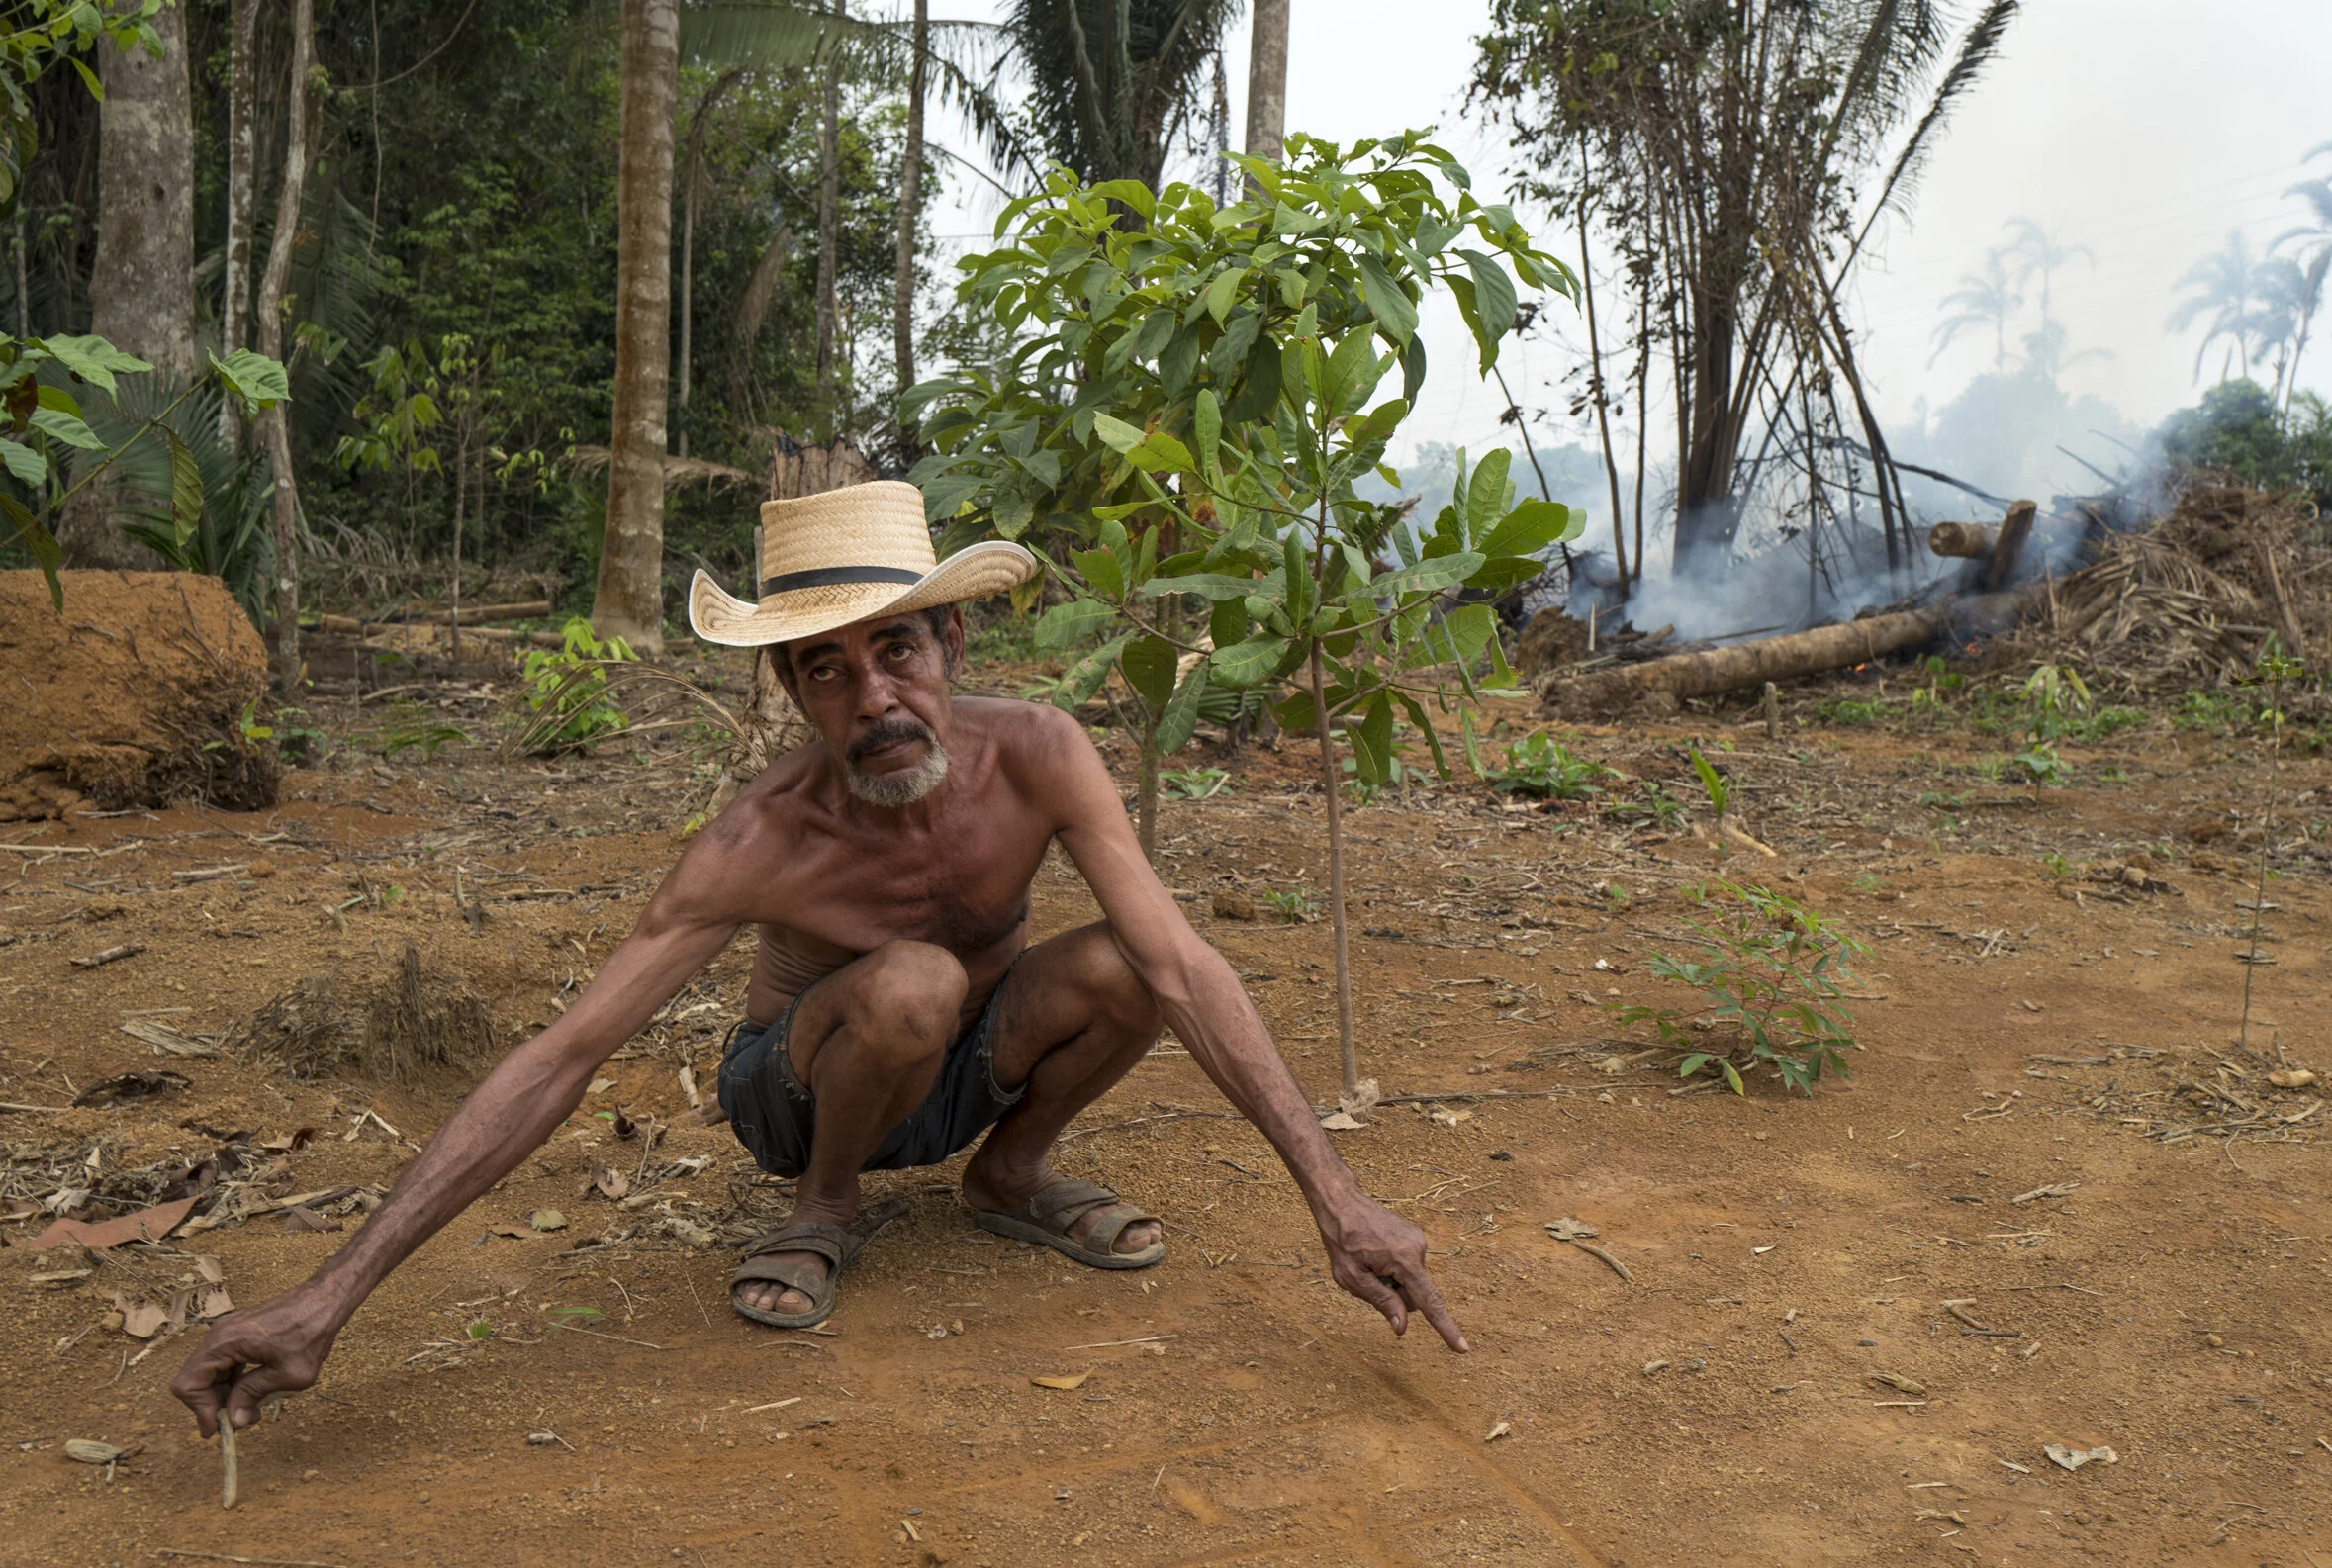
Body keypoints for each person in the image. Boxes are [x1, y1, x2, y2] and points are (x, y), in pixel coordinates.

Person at [173, 481, 1464, 1438]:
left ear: (955, 647)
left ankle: (1009, 1174)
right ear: (793, 695)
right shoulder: (761, 838)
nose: (875, 698)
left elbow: (1184, 967)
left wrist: (1335, 1198)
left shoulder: (1043, 756)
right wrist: (328, 1296)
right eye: (826, 671)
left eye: (896, 648)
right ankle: (826, 1210)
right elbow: (564, 1057)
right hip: (801, 1091)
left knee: (1129, 963)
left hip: (967, 1063)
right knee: (914, 980)